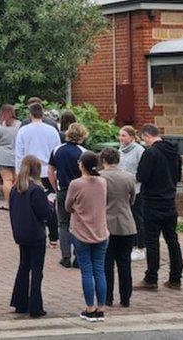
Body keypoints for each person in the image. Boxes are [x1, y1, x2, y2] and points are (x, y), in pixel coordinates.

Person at [9, 155, 59, 318]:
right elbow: (44, 213)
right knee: (37, 270)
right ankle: (36, 306)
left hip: (21, 232)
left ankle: (20, 302)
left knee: (23, 266)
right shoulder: (36, 190)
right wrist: (50, 206)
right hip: (35, 233)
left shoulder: (15, 188)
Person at [136, 124, 183, 290]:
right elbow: (178, 176)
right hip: (170, 201)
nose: (144, 142)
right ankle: (175, 278)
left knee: (152, 241)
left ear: (147, 136)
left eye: (143, 139)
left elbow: (141, 176)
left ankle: (151, 278)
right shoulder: (174, 152)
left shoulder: (150, 153)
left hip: (152, 201)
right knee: (172, 239)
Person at [66, 151, 109, 323]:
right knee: (99, 269)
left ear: (82, 165)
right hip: (101, 231)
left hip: (82, 231)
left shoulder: (76, 184)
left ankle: (90, 308)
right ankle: (101, 308)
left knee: (87, 270)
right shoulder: (103, 182)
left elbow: (68, 206)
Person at [47, 123, 89, 269]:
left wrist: (55, 187)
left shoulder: (57, 150)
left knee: (63, 224)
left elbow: (50, 171)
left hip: (63, 190)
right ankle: (78, 257)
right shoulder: (83, 152)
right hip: (80, 192)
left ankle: (65, 257)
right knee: (79, 224)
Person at [100, 147, 137, 308]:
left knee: (106, 263)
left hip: (106, 224)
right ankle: (125, 298)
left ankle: (108, 297)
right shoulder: (129, 177)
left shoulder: (100, 178)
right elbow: (132, 199)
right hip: (126, 223)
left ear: (103, 160)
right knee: (124, 263)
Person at [14, 103, 61, 191]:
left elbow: (19, 154)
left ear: (30, 115)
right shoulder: (52, 130)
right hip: (48, 172)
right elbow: (57, 152)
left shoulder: (23, 131)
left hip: (29, 172)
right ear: (42, 114)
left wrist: (18, 173)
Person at [117, 126, 146, 261]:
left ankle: (140, 247)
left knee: (137, 217)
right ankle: (131, 244)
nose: (121, 138)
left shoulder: (139, 151)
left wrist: (129, 178)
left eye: (124, 136)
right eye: (120, 135)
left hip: (136, 189)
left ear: (132, 137)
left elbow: (141, 172)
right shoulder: (120, 150)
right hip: (123, 189)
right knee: (127, 218)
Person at [0, 104, 21, 210]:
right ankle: (18, 203)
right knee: (17, 180)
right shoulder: (20, 124)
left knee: (7, 180)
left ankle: (8, 204)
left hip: (2, 155)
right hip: (17, 155)